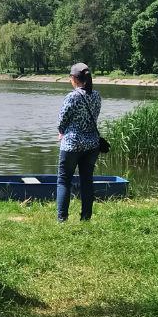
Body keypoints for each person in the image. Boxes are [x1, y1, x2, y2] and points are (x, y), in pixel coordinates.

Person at [55, 62, 102, 222]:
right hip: (92, 144)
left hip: (72, 144)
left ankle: (62, 219)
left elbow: (62, 120)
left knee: (64, 180)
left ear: (75, 78)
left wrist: (61, 131)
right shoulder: (96, 95)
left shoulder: (72, 96)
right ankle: (86, 218)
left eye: (70, 77)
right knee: (87, 181)